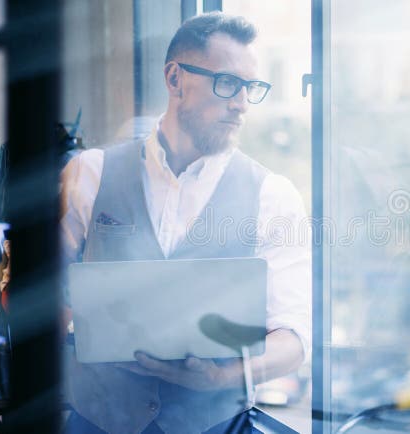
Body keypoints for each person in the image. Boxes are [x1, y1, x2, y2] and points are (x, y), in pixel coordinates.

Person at [58, 12, 311, 434]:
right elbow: (44, 295)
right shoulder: (91, 172)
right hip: (96, 423)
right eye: (228, 83)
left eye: (251, 87)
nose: (241, 102)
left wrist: (223, 377)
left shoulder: (274, 194)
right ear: (175, 79)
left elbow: (294, 341)